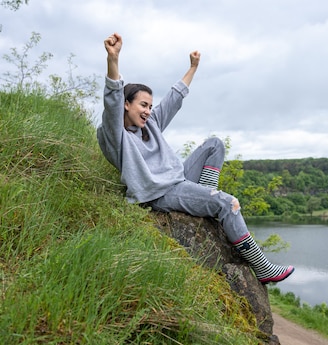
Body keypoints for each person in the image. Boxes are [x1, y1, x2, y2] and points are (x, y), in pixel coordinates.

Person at [97, 32, 294, 284]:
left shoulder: (151, 123)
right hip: (158, 194)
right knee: (227, 203)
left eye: (149, 106)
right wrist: (113, 60)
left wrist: (193, 67)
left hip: (178, 181)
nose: (148, 111)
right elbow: (111, 98)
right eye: (143, 105)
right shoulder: (115, 136)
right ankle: (263, 267)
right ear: (126, 105)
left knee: (214, 145)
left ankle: (204, 196)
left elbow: (174, 98)